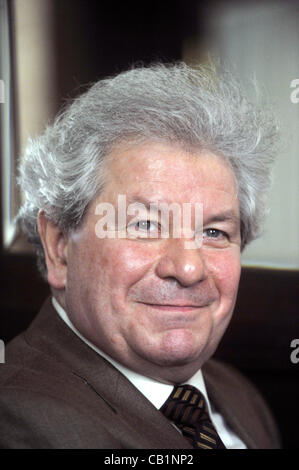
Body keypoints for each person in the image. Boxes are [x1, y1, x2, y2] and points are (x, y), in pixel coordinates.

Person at [0, 62, 281, 449]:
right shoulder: (17, 421)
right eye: (145, 226)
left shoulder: (238, 396)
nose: (187, 268)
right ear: (60, 247)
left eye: (214, 232)